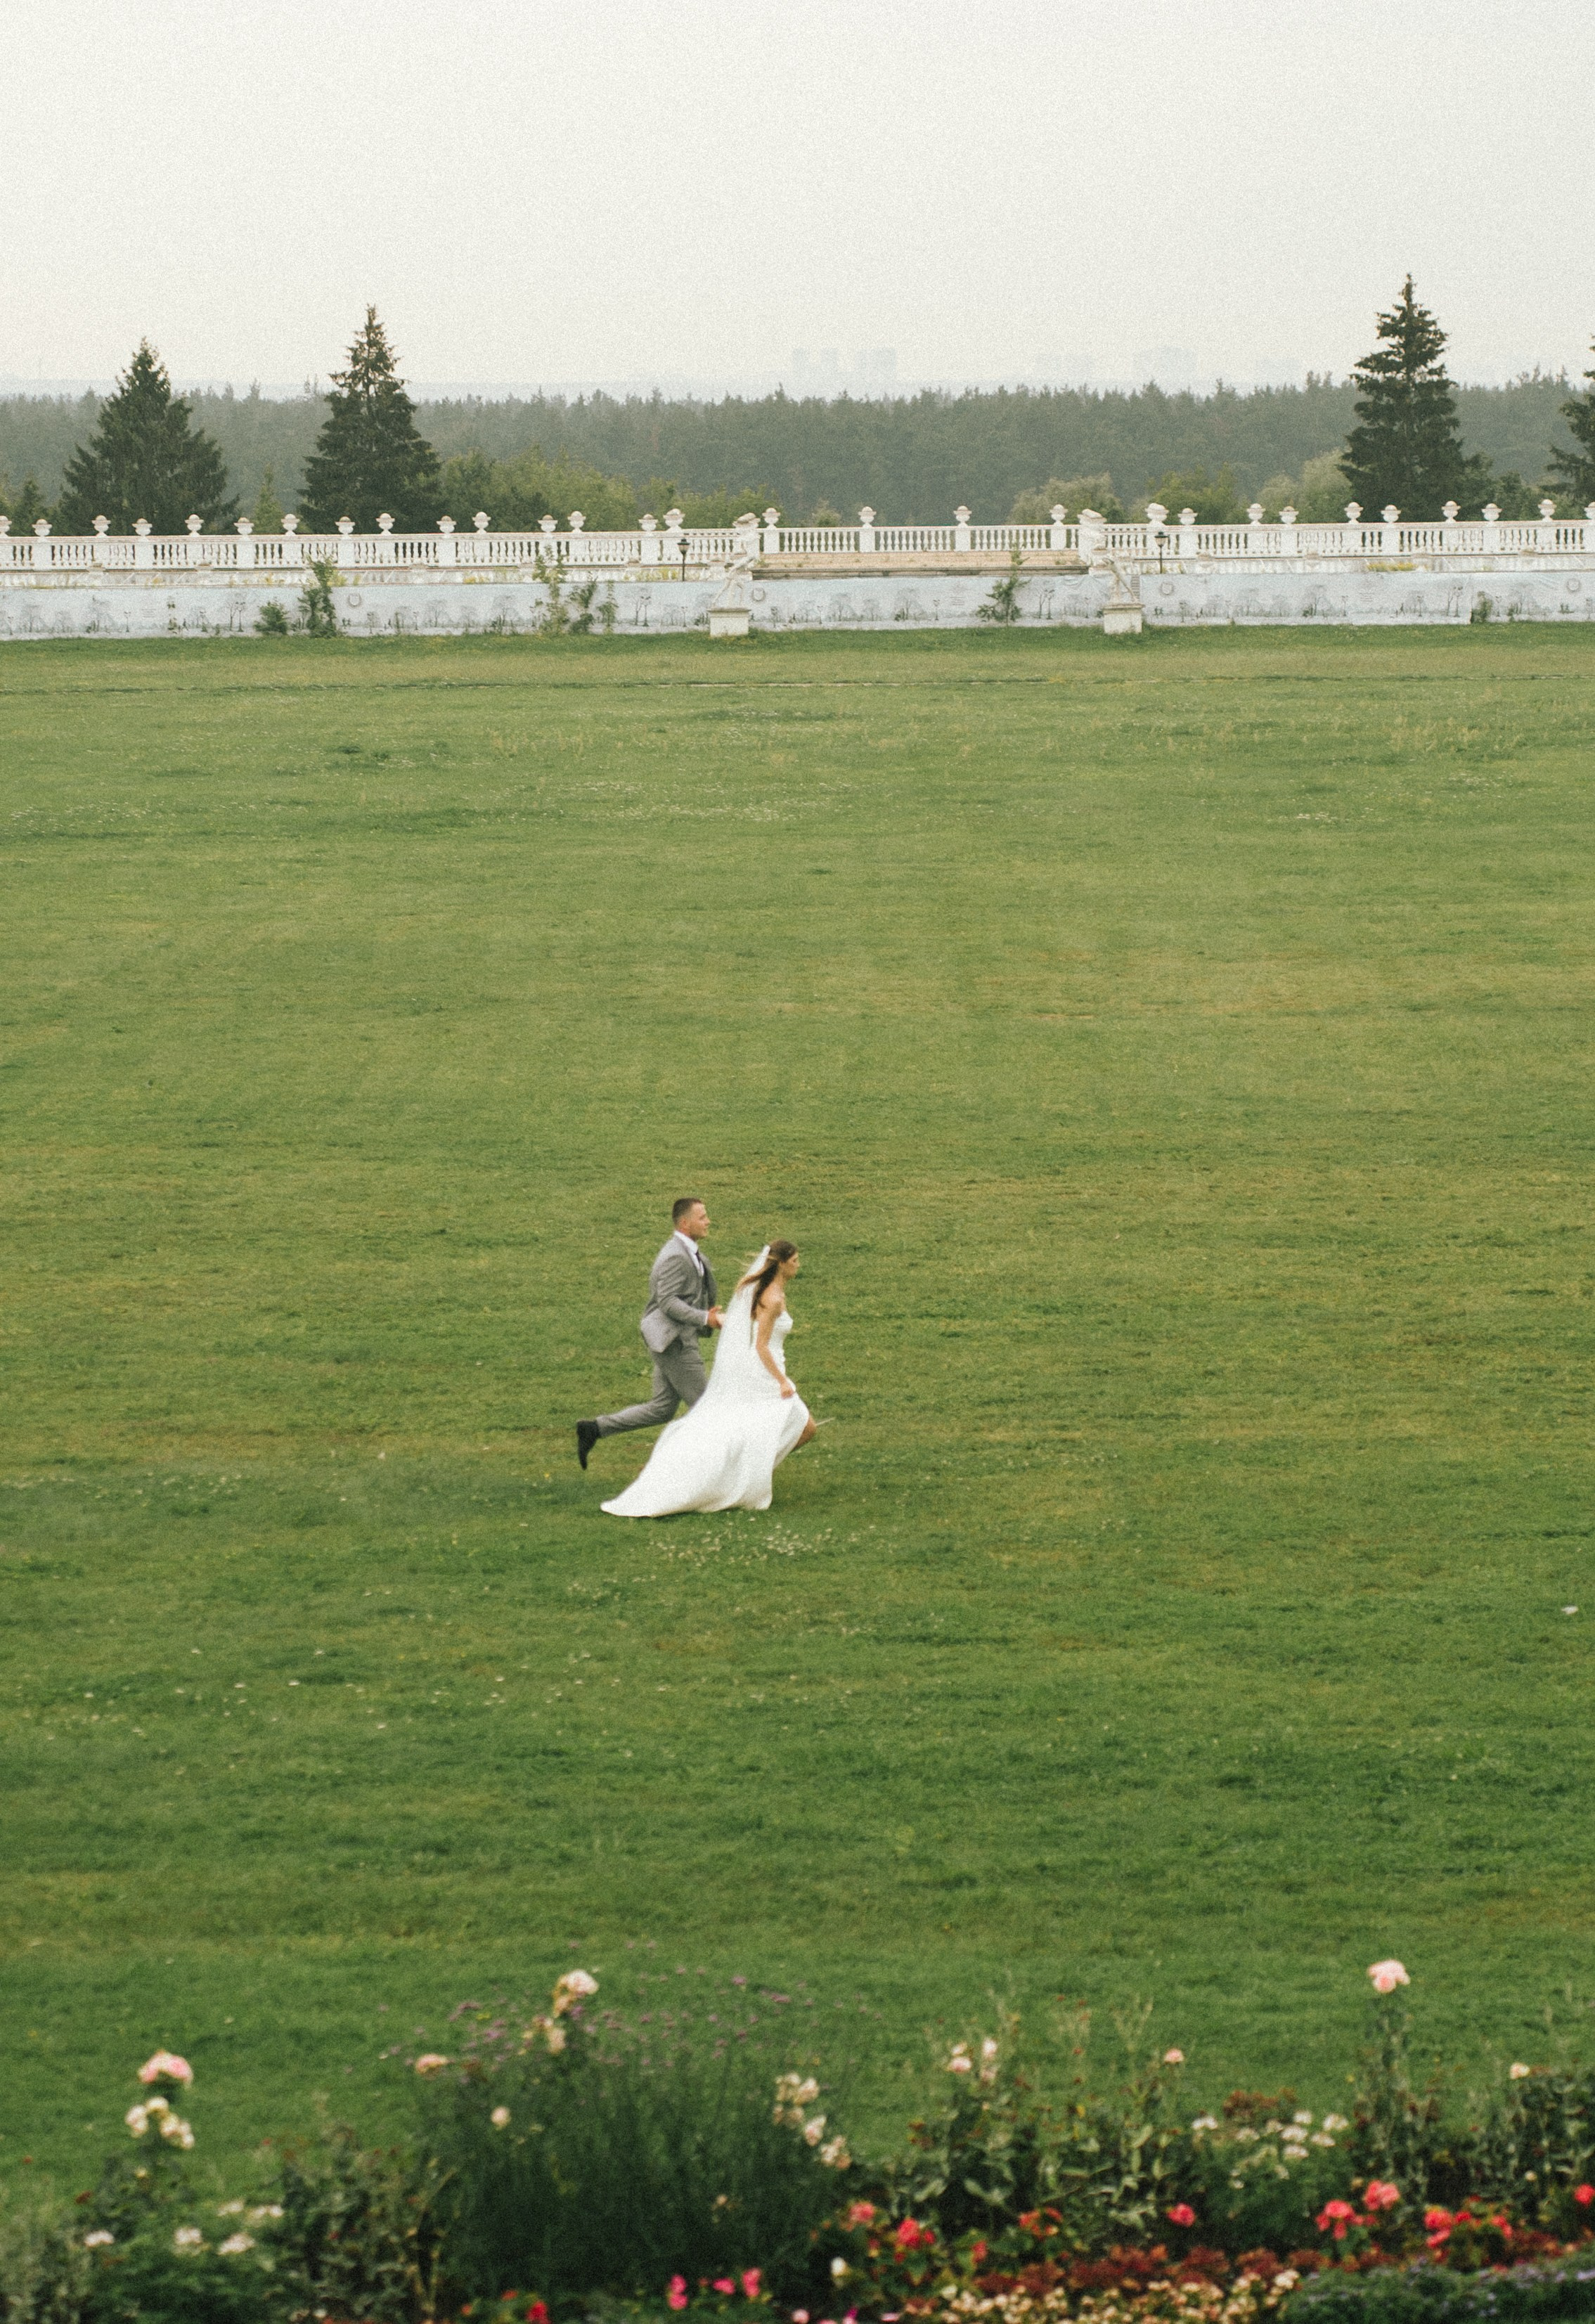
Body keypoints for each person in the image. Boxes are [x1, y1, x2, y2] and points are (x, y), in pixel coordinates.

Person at [599, 1241, 816, 1518]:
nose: (798, 1265)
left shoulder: (764, 1291)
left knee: (782, 1427)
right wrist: (782, 1380)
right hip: (768, 1372)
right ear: (781, 1263)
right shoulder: (772, 1299)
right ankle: (735, 1476)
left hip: (765, 1369)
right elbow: (761, 1346)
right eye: (795, 1260)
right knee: (802, 1426)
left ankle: (744, 1474)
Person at [576, 1198, 723, 1470]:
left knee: (662, 1409)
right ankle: (705, 1471)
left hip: (671, 1339)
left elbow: (686, 1294)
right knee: (707, 1409)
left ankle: (594, 1429)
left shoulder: (691, 1253)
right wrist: (706, 1318)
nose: (708, 1221)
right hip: (675, 1343)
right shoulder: (675, 1256)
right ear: (685, 1223)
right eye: (702, 1217)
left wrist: (707, 1311)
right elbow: (667, 1302)